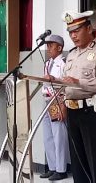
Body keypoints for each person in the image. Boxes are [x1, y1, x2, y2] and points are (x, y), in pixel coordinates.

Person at [61, 10, 96, 183]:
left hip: (92, 112)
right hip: (73, 111)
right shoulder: (71, 54)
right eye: (70, 32)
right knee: (78, 161)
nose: (73, 36)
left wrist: (79, 82)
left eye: (77, 30)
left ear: (90, 28)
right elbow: (66, 83)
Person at [40, 35, 69, 181]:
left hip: (57, 101)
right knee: (48, 137)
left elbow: (65, 85)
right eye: (48, 45)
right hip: (47, 101)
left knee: (59, 137)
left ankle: (61, 169)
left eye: (51, 45)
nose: (48, 48)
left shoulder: (64, 63)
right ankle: (52, 167)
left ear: (59, 47)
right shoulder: (47, 63)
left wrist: (63, 104)